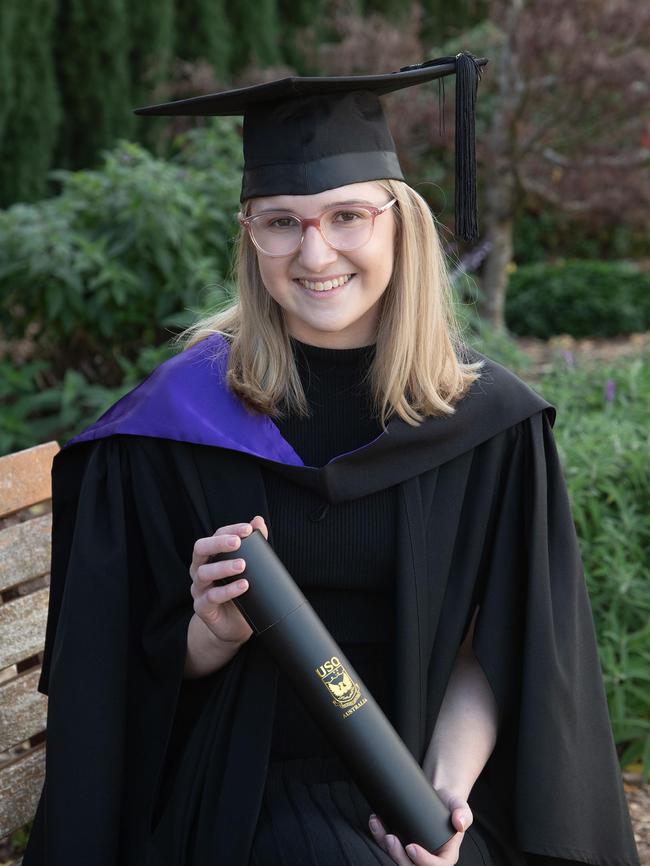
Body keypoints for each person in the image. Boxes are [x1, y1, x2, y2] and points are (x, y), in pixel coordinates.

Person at [23, 56, 640, 866]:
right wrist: (210, 633)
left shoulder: (489, 425)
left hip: (426, 775)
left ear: (399, 223)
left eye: (347, 216)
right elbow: (104, 670)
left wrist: (446, 801)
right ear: (250, 237)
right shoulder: (171, 424)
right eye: (281, 221)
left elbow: (501, 647)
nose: (315, 255)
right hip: (243, 786)